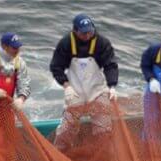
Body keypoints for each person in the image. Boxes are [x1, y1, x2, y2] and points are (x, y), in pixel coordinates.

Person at [49, 14, 118, 143]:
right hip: (75, 91)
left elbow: (110, 65)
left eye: (90, 32)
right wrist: (66, 86)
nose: (87, 35)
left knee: (103, 128)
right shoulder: (66, 43)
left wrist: (112, 86)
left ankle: (101, 153)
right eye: (83, 33)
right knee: (66, 129)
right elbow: (56, 67)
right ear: (75, 31)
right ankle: (61, 153)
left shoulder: (101, 42)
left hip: (97, 90)